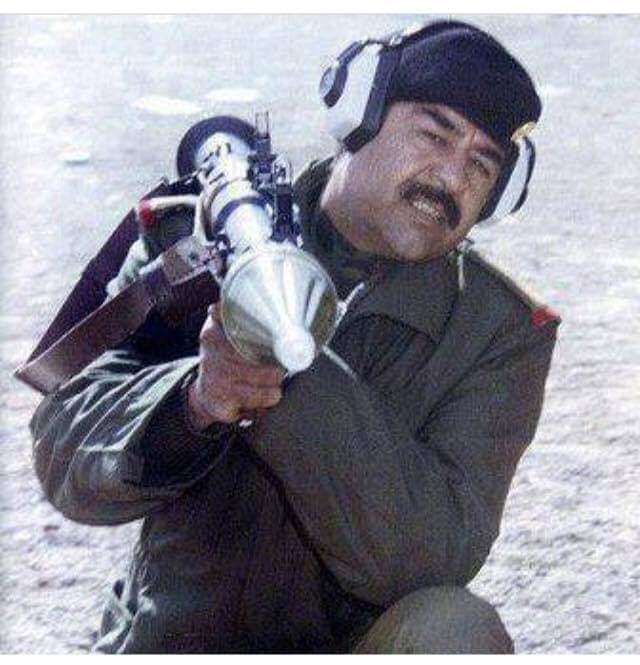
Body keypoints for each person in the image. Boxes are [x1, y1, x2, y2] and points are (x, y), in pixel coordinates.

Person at [30, 20, 560, 653]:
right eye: (434, 134)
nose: (451, 178)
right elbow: (63, 454)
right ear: (358, 116)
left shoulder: (497, 330)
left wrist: (286, 355)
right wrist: (195, 403)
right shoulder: (204, 241)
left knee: (454, 629)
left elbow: (432, 555)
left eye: (482, 163)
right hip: (171, 641)